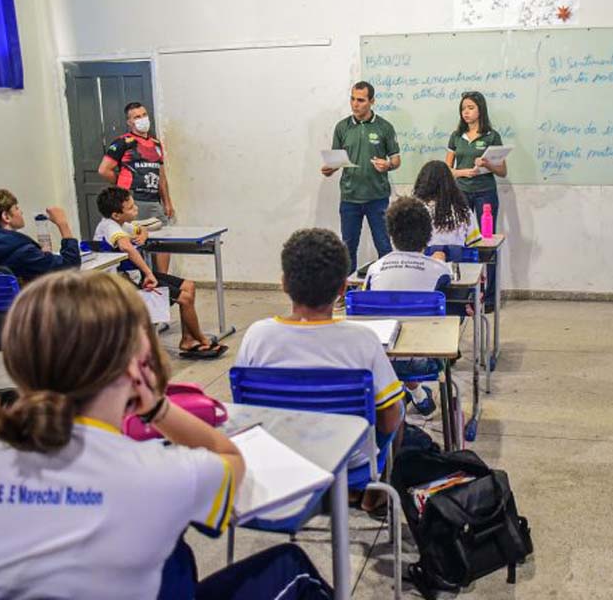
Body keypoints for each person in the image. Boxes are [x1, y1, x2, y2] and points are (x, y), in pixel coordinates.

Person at [0, 272, 332, 599]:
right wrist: (157, 407)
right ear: (135, 365)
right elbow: (229, 456)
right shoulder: (155, 472)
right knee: (292, 569)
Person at [235, 228, 404, 510]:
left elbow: (246, 415)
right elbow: (388, 420)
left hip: (279, 460)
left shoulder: (256, 337)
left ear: (284, 283)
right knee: (397, 409)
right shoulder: (362, 340)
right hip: (351, 462)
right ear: (342, 289)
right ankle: (370, 490)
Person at [94, 186, 226, 359]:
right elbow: (126, 246)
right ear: (116, 214)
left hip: (136, 275)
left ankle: (188, 340)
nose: (136, 209)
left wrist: (143, 234)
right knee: (185, 299)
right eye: (131, 208)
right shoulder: (110, 227)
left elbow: (142, 229)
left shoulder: (120, 224)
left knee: (189, 286)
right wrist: (149, 273)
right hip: (122, 283)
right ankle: (202, 339)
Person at [364, 197, 454, 419]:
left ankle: (414, 393)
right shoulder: (439, 270)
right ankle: (416, 392)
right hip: (425, 359)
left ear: (391, 233)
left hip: (379, 358)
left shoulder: (375, 269)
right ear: (428, 233)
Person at [320, 81, 401, 274]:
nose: (355, 104)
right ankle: (347, 291)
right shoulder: (342, 127)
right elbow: (336, 159)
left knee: (383, 245)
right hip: (350, 197)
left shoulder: (385, 127)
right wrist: (329, 169)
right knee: (348, 248)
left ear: (372, 101)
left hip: (377, 197)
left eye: (361, 100)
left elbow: (396, 160)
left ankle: (388, 286)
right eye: (353, 99)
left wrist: (388, 164)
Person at [445, 91, 507, 310]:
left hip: (485, 194)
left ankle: (489, 299)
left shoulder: (492, 136)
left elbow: (502, 171)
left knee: (486, 244)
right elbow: (447, 170)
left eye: (470, 108)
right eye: (463, 109)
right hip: (460, 194)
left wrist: (487, 164)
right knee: (460, 242)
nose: (466, 112)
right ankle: (464, 295)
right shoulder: (456, 136)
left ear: (480, 109)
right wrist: (464, 173)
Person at [98, 101, 174, 274]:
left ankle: (162, 279)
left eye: (144, 115)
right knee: (136, 240)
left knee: (163, 241)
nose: (142, 119)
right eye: (137, 117)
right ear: (129, 122)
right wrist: (121, 183)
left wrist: (167, 202)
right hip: (133, 200)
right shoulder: (122, 142)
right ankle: (142, 276)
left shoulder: (156, 144)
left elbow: (161, 176)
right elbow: (104, 170)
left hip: (154, 201)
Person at [0, 188, 80, 282]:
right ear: (6, 217)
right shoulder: (23, 252)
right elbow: (70, 267)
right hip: (23, 309)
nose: (21, 212)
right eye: (16, 208)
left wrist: (40, 255)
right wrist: (63, 224)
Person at [413, 160, 482, 258]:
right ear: (450, 183)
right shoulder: (463, 211)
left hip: (424, 268)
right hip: (456, 268)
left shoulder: (416, 211)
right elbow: (474, 245)